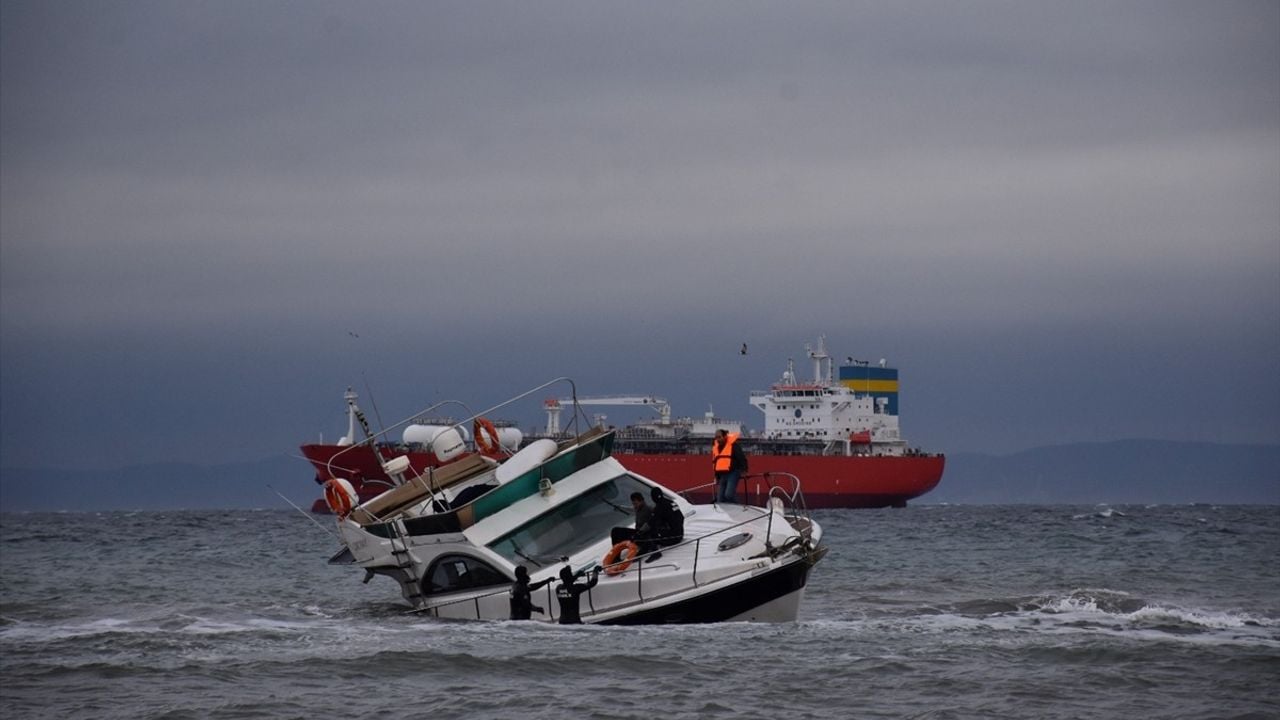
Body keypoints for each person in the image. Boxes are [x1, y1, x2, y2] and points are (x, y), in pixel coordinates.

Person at [712, 428, 748, 503]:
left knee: (729, 494)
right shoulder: (716, 448)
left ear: (725, 436)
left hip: (733, 473)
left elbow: (741, 457)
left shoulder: (733, 446)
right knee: (720, 499)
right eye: (716, 437)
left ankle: (739, 508)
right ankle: (724, 513)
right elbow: (716, 463)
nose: (718, 439)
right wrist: (716, 476)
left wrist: (744, 470)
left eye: (719, 437)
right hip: (722, 475)